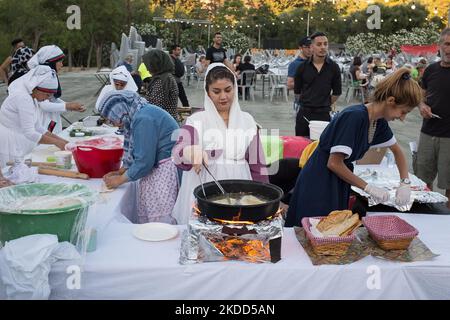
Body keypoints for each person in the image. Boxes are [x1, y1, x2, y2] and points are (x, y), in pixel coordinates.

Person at [285, 68, 422, 227]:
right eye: (403, 111)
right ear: (390, 101)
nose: (403, 118)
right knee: (314, 229)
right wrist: (368, 187)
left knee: (331, 230)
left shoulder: (378, 122)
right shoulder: (354, 116)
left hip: (339, 180)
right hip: (319, 180)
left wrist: (404, 183)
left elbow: (398, 152)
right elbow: (334, 163)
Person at [171, 63, 269, 225]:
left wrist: (263, 195)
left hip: (240, 188)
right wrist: (191, 151)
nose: (223, 96)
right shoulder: (197, 120)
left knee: (236, 233)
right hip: (205, 189)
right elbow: (178, 151)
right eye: (216, 92)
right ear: (208, 93)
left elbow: (257, 164)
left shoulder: (247, 121)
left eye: (228, 90)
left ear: (235, 89)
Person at [98, 90, 180, 224]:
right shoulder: (139, 112)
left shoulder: (143, 119)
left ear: (118, 110)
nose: (110, 122)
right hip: (160, 165)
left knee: (160, 222)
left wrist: (119, 181)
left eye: (110, 117)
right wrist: (121, 172)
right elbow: (140, 151)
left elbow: (144, 162)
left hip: (164, 171)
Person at [0, 66, 69, 168]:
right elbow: (29, 132)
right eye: (47, 94)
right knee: (13, 175)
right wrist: (57, 143)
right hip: (11, 144)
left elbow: (38, 127)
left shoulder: (32, 97)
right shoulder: (23, 98)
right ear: (36, 88)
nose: (48, 98)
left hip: (20, 142)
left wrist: (61, 140)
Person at [416, 28, 450, 209]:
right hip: (428, 133)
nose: (449, 49)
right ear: (440, 46)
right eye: (447, 44)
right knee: (423, 181)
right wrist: (422, 106)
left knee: (449, 185)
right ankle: (425, 214)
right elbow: (420, 97)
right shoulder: (430, 70)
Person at [27, 45, 85, 133]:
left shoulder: (49, 74)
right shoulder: (41, 77)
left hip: (50, 120)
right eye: (60, 62)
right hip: (42, 121)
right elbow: (43, 105)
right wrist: (67, 106)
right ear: (51, 62)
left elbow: (53, 99)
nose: (62, 65)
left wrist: (70, 106)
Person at [294, 31, 342, 137]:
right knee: (302, 147)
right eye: (319, 44)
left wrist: (324, 102)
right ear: (312, 46)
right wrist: (308, 100)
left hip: (323, 114)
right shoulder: (302, 68)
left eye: (325, 44)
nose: (323, 47)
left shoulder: (334, 68)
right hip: (304, 113)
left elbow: (337, 92)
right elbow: (297, 92)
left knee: (322, 147)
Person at [142, 49, 180, 123]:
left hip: (163, 125)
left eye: (149, 65)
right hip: (166, 122)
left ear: (156, 64)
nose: (147, 68)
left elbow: (154, 106)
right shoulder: (165, 77)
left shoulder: (163, 80)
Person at [170, 44, 190, 109]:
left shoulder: (177, 59)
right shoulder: (170, 59)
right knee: (173, 98)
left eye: (180, 50)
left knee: (183, 98)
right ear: (173, 51)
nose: (179, 51)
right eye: (178, 50)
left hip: (178, 81)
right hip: (173, 82)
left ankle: (187, 110)